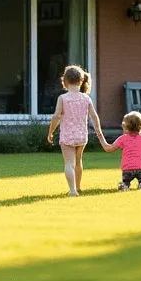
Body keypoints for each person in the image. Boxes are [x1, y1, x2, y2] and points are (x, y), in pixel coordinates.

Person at [46, 65, 105, 197]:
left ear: (65, 81)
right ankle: (78, 187)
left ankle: (72, 190)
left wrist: (50, 132)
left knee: (69, 163)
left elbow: (56, 116)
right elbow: (94, 116)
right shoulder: (86, 98)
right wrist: (99, 132)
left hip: (67, 137)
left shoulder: (63, 98)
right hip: (82, 136)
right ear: (81, 81)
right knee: (78, 162)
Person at [102, 111, 141, 190]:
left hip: (127, 168)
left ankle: (125, 185)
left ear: (125, 126)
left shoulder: (122, 138)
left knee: (126, 180)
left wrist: (101, 138)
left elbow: (110, 148)